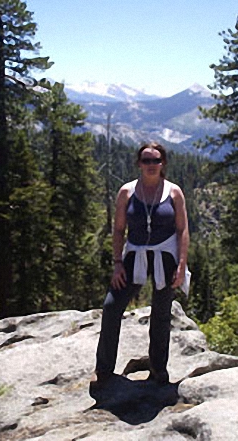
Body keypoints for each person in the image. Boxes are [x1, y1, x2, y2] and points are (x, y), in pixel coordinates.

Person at [94, 142, 190, 385]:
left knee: (161, 312)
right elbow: (118, 230)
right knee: (112, 306)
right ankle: (104, 369)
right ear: (138, 163)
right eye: (146, 160)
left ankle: (159, 369)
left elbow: (182, 230)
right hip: (134, 254)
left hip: (165, 255)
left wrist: (181, 264)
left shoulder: (174, 192)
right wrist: (117, 263)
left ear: (163, 163)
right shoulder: (127, 192)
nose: (151, 165)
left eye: (155, 160)